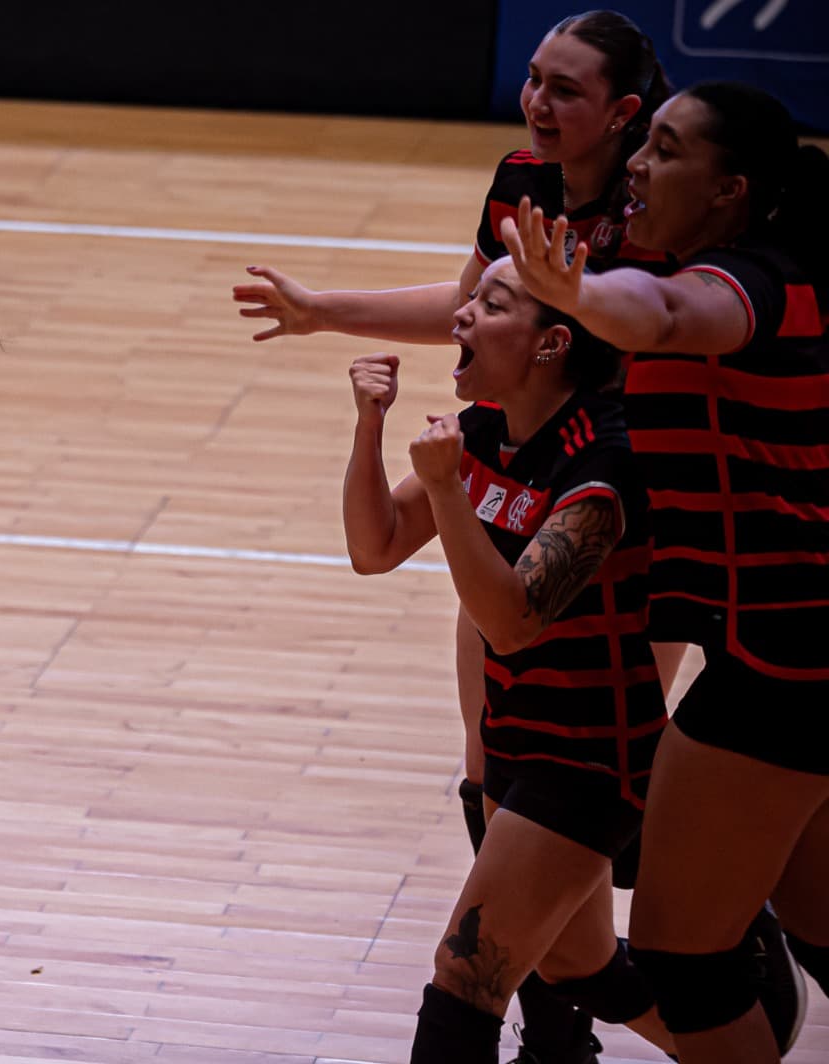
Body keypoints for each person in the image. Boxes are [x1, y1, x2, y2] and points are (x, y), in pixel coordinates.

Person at [235, 13, 674, 1060]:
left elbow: (654, 326)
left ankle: (624, 982)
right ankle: (568, 1015)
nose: (536, 103)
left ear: (622, 112)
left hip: (615, 495)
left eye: (563, 90)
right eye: (531, 79)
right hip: (509, 453)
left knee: (582, 746)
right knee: (490, 762)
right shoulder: (519, 183)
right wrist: (323, 313)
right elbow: (476, 306)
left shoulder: (655, 206)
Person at [503, 80, 829, 1064]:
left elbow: (666, 316)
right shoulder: (741, 268)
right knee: (817, 926)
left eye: (668, 149)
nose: (638, 164)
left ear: (731, 188)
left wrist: (580, 294)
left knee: (683, 960)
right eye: (641, 143)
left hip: (784, 664)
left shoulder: (753, 284)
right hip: (792, 652)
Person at [342, 257, 674, 1063]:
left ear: (551, 342)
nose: (460, 315)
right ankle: (740, 1031)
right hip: (515, 737)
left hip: (592, 754)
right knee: (579, 963)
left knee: (468, 972)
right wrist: (370, 425)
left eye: (489, 305)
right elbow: (374, 546)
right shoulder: (489, 431)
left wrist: (450, 494)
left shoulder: (602, 464)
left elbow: (514, 621)